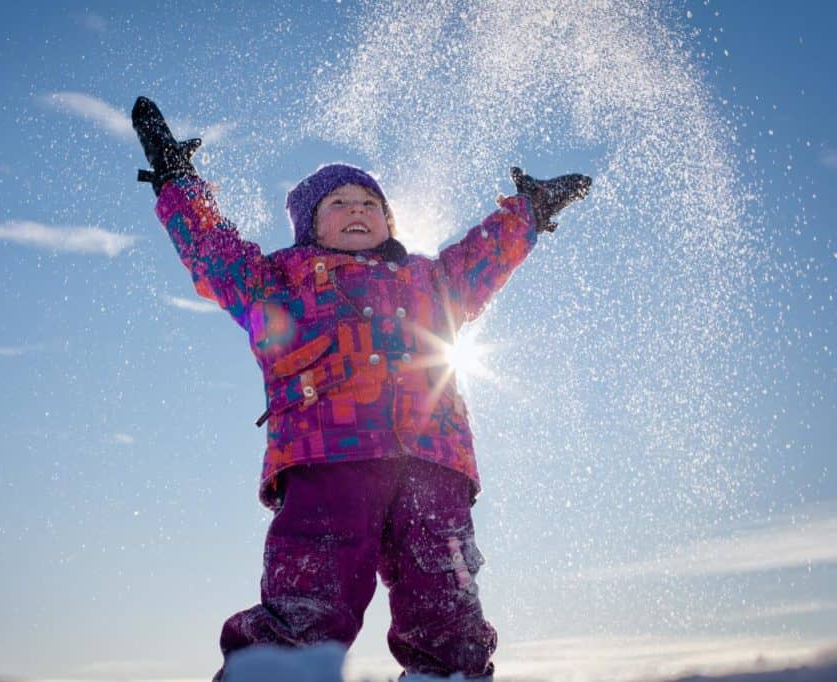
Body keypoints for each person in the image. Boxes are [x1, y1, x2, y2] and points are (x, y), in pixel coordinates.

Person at [132, 96, 591, 680]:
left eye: (371, 203)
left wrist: (528, 211)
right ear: (308, 226)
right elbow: (210, 249)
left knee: (446, 606)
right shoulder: (276, 284)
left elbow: (484, 257)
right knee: (309, 603)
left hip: (433, 467)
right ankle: (277, 672)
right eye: (339, 203)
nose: (358, 210)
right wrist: (177, 182)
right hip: (327, 464)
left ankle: (447, 676)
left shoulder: (431, 281)